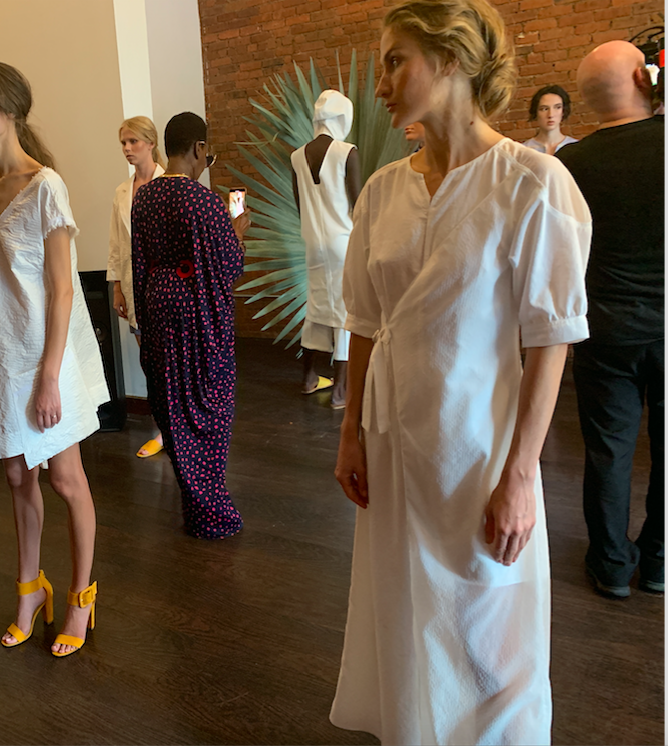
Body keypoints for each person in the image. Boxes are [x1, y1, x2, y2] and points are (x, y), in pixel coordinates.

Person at [331, 0, 591, 743]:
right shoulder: (382, 190)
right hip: (391, 441)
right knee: (407, 612)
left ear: (449, 60)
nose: (380, 83)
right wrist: (349, 432)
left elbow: (550, 339)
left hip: (478, 446)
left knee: (490, 624)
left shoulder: (531, 182)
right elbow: (365, 319)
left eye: (394, 60)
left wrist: (521, 475)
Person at [0, 61, 108, 657]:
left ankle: (80, 597)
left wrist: (49, 377)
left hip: (46, 360)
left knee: (66, 479)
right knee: (19, 478)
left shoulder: (46, 186)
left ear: (11, 109)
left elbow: (62, 289)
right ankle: (29, 592)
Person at [556, 41, 664, 599]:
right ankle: (660, 561)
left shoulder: (569, 164)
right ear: (644, 80)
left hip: (602, 329)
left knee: (608, 450)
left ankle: (612, 566)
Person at [131, 112, 249, 540]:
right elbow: (229, 267)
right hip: (196, 311)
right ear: (199, 148)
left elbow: (139, 263)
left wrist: (145, 317)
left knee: (173, 402)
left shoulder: (143, 198)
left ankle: (194, 497)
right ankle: (210, 509)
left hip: (158, 305)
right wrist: (237, 232)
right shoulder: (205, 202)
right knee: (208, 401)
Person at [291, 90, 361, 407]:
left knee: (317, 307)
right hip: (342, 244)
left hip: (313, 245)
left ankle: (309, 377)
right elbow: (358, 204)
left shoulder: (296, 157)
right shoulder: (347, 152)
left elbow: (299, 206)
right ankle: (341, 390)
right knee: (345, 312)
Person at [107, 116, 166, 457]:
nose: (127, 149)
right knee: (150, 363)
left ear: (151, 143)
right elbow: (117, 243)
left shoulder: (168, 184)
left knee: (169, 360)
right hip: (134, 285)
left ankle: (180, 426)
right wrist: (117, 287)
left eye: (133, 142)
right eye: (123, 143)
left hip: (163, 286)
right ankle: (161, 429)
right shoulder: (121, 192)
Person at [522, 85, 578, 155]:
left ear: (563, 111)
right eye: (544, 109)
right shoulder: (524, 151)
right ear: (536, 112)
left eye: (557, 107)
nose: (550, 115)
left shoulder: (576, 148)